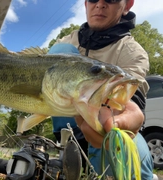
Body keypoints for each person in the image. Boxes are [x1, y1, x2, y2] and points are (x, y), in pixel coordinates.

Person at [48, 0, 155, 179]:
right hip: (70, 128)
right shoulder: (67, 41)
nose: (100, 4)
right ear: (85, 4)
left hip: (106, 126)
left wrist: (122, 116)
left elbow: (132, 90)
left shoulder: (134, 52)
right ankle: (67, 148)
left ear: (127, 6)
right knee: (61, 50)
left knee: (136, 162)